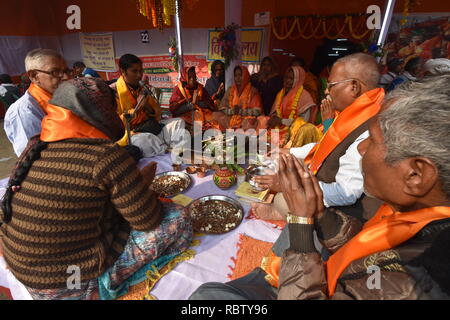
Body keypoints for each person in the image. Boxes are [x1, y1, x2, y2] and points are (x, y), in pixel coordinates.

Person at [189, 74, 450, 300]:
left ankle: (265, 279)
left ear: (416, 175)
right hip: (313, 271)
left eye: (372, 141)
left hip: (308, 286)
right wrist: (320, 216)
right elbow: (361, 243)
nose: (361, 148)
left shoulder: (413, 280)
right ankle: (263, 277)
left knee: (205, 296)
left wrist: (303, 225)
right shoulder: (416, 221)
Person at [0, 78, 193, 300]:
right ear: (103, 114)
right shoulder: (104, 156)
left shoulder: (34, 145)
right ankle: (102, 287)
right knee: (177, 217)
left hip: (24, 271)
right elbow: (147, 221)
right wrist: (141, 188)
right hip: (71, 282)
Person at [252, 53, 385, 223]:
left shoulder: (369, 128)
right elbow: (324, 144)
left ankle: (280, 211)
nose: (326, 90)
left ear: (354, 87)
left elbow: (346, 193)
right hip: (324, 169)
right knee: (280, 160)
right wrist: (288, 151)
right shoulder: (357, 112)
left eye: (331, 85)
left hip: (344, 206)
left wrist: (289, 187)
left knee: (280, 198)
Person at [111, 54, 186, 158]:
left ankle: (168, 150)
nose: (139, 75)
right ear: (123, 71)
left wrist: (146, 106)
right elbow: (116, 124)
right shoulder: (113, 92)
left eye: (141, 71)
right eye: (134, 71)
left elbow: (158, 113)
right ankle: (167, 152)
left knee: (178, 122)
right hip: (132, 133)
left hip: (150, 126)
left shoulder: (142, 88)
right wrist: (137, 107)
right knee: (146, 140)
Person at [3, 48, 70, 156]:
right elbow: (32, 157)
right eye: (55, 72)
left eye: (66, 71)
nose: (66, 77)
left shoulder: (63, 97)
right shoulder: (25, 111)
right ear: (34, 76)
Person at [256, 66, 320, 148]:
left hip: (295, 132)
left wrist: (281, 121)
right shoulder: (281, 93)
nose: (287, 81)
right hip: (279, 128)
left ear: (298, 79)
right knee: (261, 120)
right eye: (286, 77)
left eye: (291, 78)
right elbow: (275, 112)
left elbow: (303, 123)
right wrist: (274, 118)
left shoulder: (304, 97)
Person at [169, 66, 219, 132]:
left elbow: (210, 105)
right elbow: (174, 110)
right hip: (185, 117)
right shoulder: (179, 89)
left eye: (194, 76)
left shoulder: (200, 88)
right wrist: (191, 105)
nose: (192, 79)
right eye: (189, 77)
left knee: (216, 119)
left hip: (202, 115)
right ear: (184, 77)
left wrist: (198, 103)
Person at [217, 65, 263, 131]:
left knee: (252, 122)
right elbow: (222, 108)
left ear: (245, 76)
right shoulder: (230, 90)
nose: (237, 78)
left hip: (246, 121)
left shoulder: (253, 91)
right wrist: (232, 111)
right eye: (235, 76)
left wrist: (241, 111)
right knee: (216, 115)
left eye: (240, 75)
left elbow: (257, 111)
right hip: (231, 118)